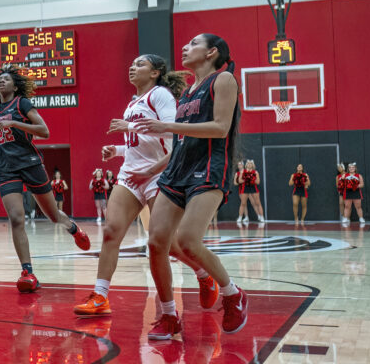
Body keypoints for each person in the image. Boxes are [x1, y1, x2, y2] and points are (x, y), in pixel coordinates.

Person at [75, 54, 215, 317]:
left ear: (155, 73)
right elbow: (138, 144)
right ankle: (100, 296)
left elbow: (175, 131)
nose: (132, 66)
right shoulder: (133, 103)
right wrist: (117, 150)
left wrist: (130, 126)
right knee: (110, 232)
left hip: (158, 175)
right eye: (132, 62)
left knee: (166, 244)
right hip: (130, 174)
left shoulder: (160, 95)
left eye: (139, 64)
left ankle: (203, 273)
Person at [139, 34, 247, 340]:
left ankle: (231, 293)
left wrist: (168, 126)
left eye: (193, 43)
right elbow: (182, 143)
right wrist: (151, 168)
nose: (185, 48)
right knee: (157, 243)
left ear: (211, 52)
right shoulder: (187, 93)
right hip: (176, 171)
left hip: (209, 168)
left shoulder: (223, 80)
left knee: (187, 240)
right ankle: (169, 316)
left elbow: (220, 127)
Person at [0, 67, 90, 294]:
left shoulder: (22, 104)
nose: (1, 82)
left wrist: (15, 124)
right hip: (6, 167)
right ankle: (27, 272)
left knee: (53, 215)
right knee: (16, 219)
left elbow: (43, 131)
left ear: (15, 86)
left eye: (6, 79)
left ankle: (73, 228)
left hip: (29, 163)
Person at [235, 160, 264, 224]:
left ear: (253, 165)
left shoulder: (255, 172)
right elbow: (239, 181)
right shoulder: (243, 172)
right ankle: (240, 217)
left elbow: (258, 182)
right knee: (243, 203)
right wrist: (246, 179)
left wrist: (252, 180)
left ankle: (261, 217)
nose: (249, 164)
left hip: (253, 188)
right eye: (248, 163)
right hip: (245, 187)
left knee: (257, 203)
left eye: (251, 164)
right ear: (246, 165)